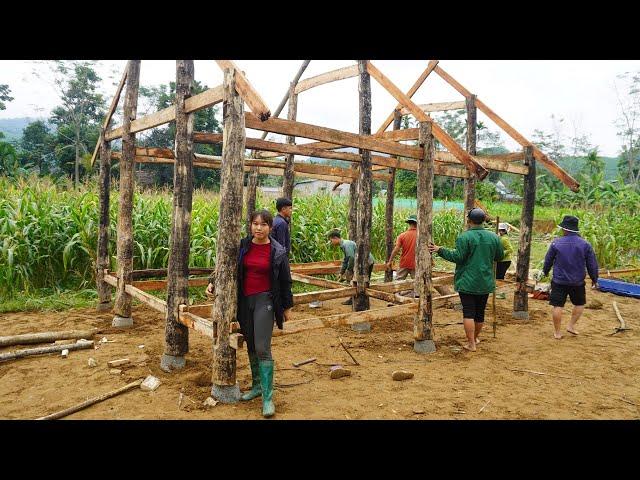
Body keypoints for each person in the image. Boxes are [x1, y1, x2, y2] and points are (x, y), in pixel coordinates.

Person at [206, 209, 293, 417]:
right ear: (251, 226)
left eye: (263, 225)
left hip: (266, 300)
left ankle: (268, 398)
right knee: (251, 344)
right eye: (255, 224)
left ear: (271, 227)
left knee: (263, 347)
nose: (259, 228)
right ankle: (256, 387)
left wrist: (287, 307)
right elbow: (227, 267)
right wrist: (212, 282)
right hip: (245, 301)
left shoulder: (277, 251)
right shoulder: (243, 246)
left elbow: (285, 281)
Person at [427, 208, 503, 352]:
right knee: (480, 313)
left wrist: (440, 250)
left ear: (469, 221)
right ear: (484, 220)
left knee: (469, 312)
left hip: (467, 281)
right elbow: (499, 256)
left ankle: (471, 343)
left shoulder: (465, 237)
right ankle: (475, 339)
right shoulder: (494, 237)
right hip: (485, 281)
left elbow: (458, 257)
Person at [540, 215, 598, 339]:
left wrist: (545, 272)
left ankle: (557, 332)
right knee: (579, 303)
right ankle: (571, 326)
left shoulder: (556, 243)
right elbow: (592, 264)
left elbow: (548, 260)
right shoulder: (585, 244)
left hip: (559, 281)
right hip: (577, 281)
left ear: (565, 229)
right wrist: (594, 279)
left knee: (558, 306)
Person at [327, 229, 374, 305]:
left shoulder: (346, 244)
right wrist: (341, 272)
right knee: (359, 281)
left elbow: (351, 258)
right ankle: (354, 299)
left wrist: (349, 270)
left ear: (335, 238)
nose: (331, 243)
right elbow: (346, 260)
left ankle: (361, 300)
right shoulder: (344, 245)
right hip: (363, 263)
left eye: (331, 240)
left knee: (362, 281)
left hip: (366, 262)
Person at [385, 214, 417, 296]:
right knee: (417, 281)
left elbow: (396, 249)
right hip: (416, 263)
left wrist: (390, 261)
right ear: (417, 223)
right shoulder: (421, 235)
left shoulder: (402, 235)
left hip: (404, 262)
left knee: (399, 280)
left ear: (409, 223)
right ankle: (416, 295)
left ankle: (396, 296)